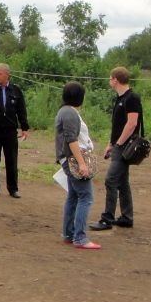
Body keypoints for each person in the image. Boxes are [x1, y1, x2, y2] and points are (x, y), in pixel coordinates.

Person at [89, 67, 143, 231]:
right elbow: (118, 125)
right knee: (122, 182)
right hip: (119, 145)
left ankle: (107, 219)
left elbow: (132, 123)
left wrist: (118, 144)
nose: (109, 81)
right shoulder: (120, 98)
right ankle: (127, 217)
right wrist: (110, 144)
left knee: (111, 180)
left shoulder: (131, 98)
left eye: (110, 78)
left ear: (115, 80)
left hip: (125, 146)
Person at [55, 82, 101, 249]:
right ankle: (80, 237)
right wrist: (82, 163)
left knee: (74, 196)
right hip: (73, 159)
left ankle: (69, 233)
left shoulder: (66, 111)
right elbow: (71, 139)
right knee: (86, 197)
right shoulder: (70, 113)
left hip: (68, 158)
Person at [0, 63, 29, 199]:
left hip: (10, 131)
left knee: (11, 160)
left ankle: (13, 189)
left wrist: (24, 128)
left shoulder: (16, 91)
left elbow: (21, 111)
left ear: (7, 75)